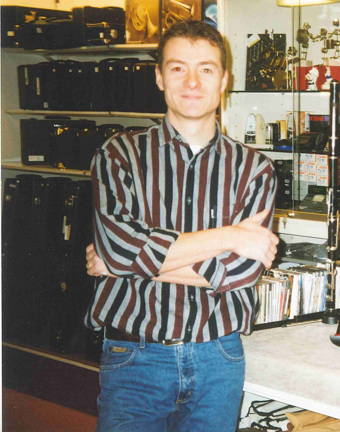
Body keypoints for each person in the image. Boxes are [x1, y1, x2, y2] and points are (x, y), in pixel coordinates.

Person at [84, 20, 279, 432]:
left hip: (218, 360)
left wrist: (125, 263)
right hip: (134, 359)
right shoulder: (119, 154)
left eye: (206, 69)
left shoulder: (255, 169)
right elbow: (118, 247)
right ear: (159, 77)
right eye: (177, 68)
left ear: (224, 80)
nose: (192, 82)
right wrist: (229, 236)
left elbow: (242, 271)